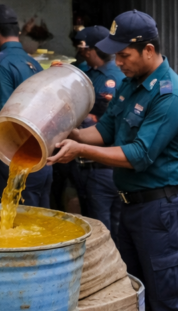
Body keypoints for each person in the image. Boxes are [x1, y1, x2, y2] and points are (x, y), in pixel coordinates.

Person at [47, 10, 178, 311]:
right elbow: (107, 132)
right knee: (141, 291)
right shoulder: (133, 86)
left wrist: (82, 151)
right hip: (132, 208)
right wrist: (68, 133)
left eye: (125, 55)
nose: (118, 62)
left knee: (167, 296)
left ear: (148, 50)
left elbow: (140, 154)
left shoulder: (170, 95)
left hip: (160, 208)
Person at [0, 4, 53, 207]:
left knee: (17, 228)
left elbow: (6, 116)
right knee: (42, 225)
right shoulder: (34, 63)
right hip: (41, 158)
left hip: (15, 159)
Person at [70, 25, 124, 234]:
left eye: (85, 51)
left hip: (106, 163)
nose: (83, 55)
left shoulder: (118, 78)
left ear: (93, 51)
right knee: (93, 220)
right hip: (84, 159)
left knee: (106, 228)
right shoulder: (87, 74)